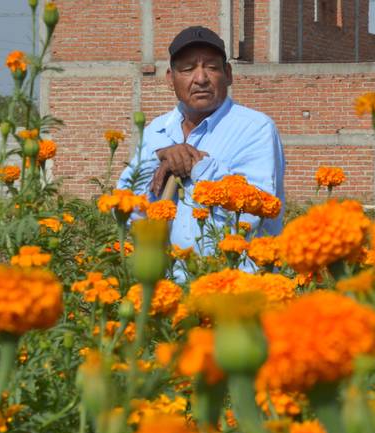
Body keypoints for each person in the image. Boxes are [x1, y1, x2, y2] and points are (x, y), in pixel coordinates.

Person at [117, 26, 285, 261]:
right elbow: (125, 210)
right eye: (187, 69)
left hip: (233, 283)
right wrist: (160, 158)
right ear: (170, 78)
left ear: (228, 74)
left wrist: (197, 165)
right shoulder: (156, 131)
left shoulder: (255, 129)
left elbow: (253, 216)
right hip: (167, 283)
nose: (201, 78)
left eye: (212, 67)